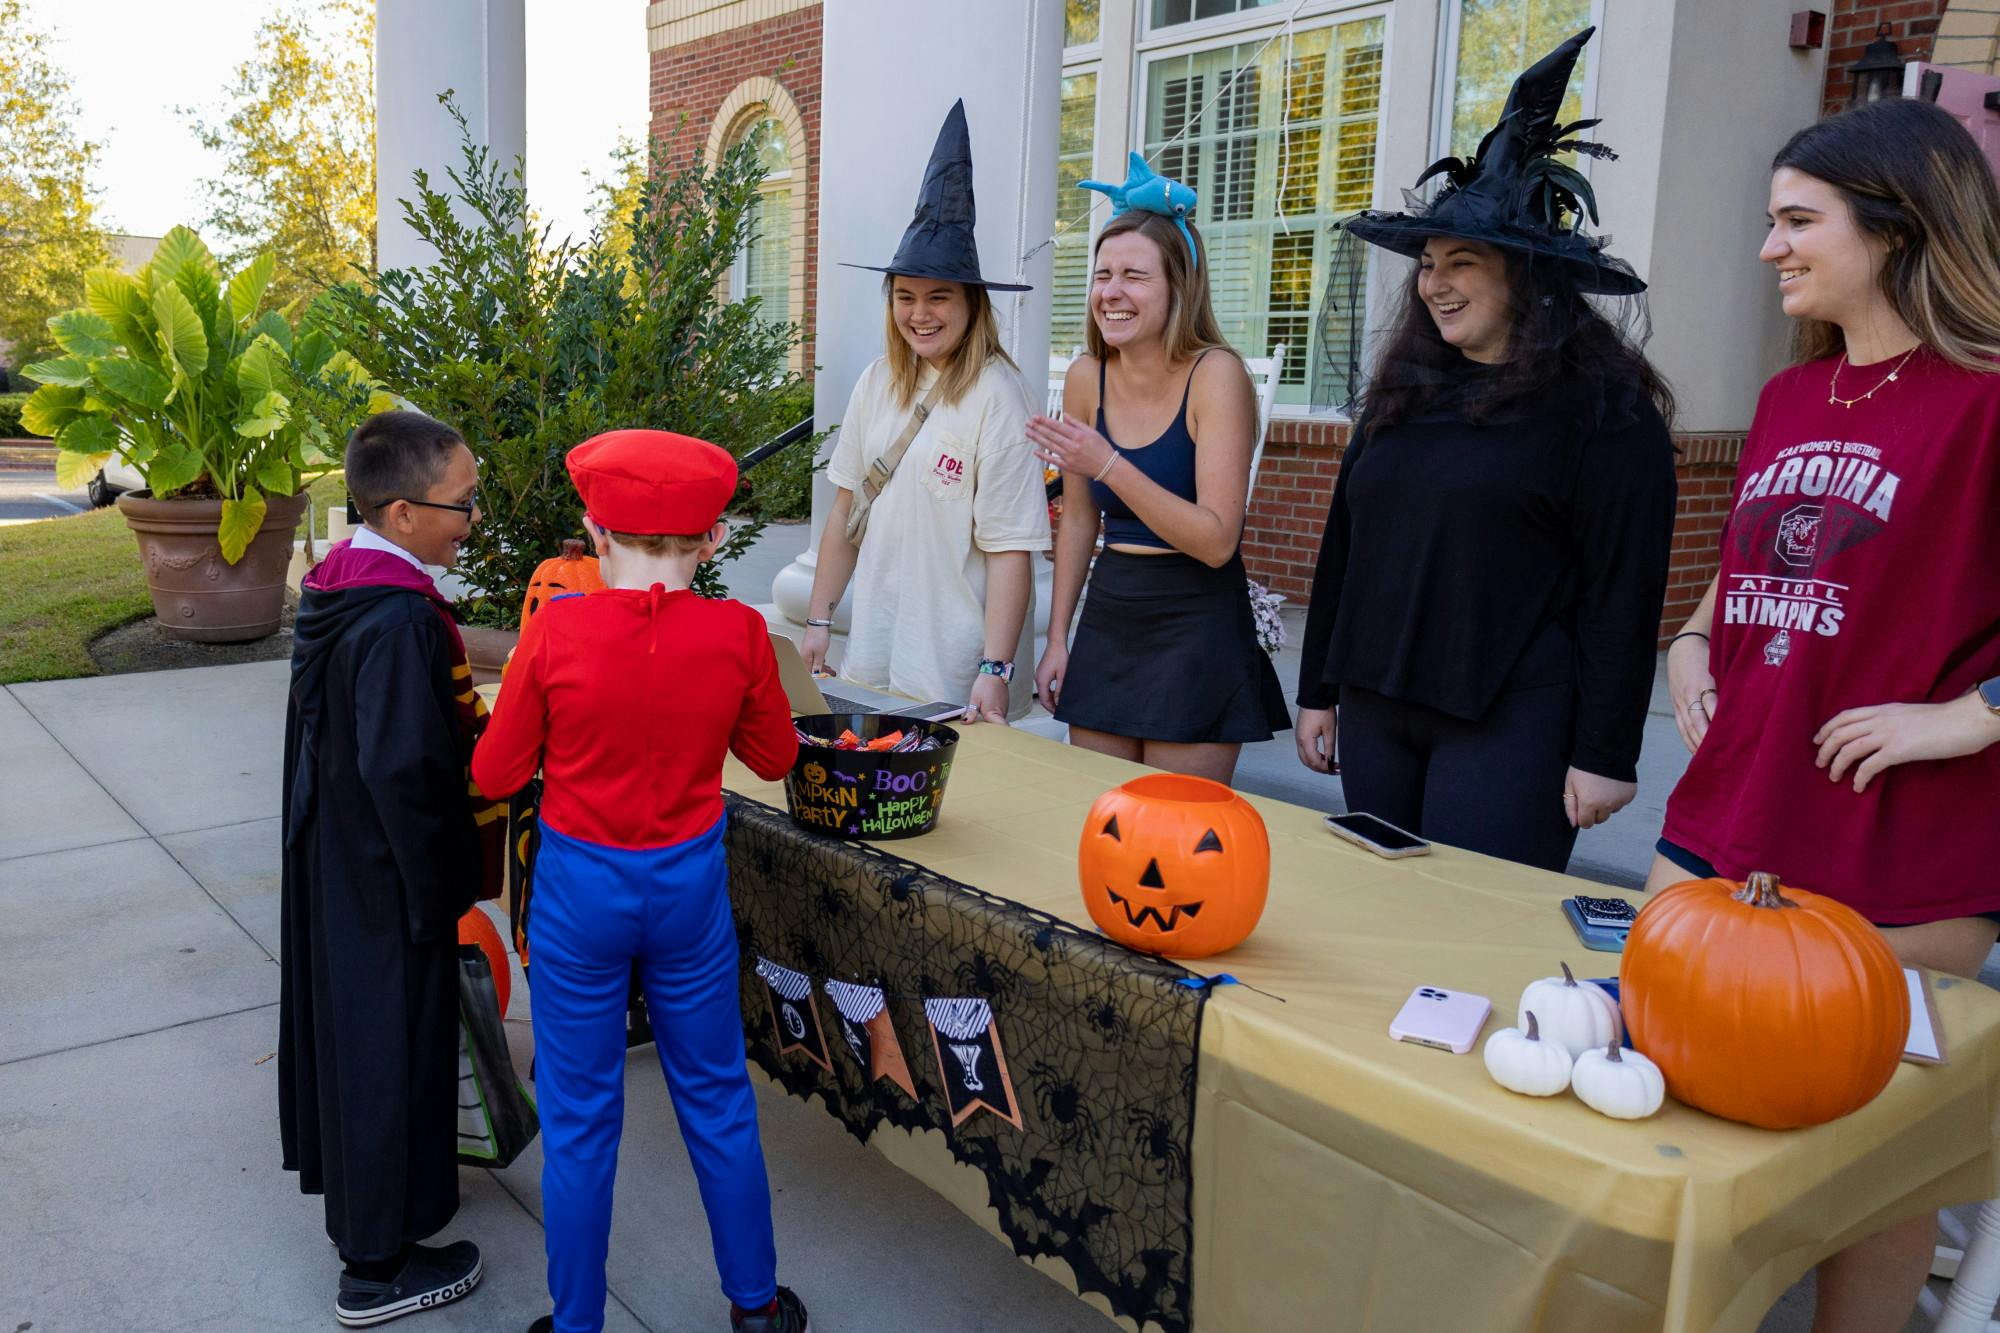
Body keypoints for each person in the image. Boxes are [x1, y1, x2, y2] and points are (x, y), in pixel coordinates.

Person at [1653, 97, 2000, 1332]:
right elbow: (1754, 567)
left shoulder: (1985, 400)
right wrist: (1691, 645)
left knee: (1873, 1164)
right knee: (1675, 1111)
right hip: (1723, 808)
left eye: (1796, 221)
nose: (1768, 249)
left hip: (1898, 846)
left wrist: (1967, 716)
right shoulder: (1791, 398)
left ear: (1894, 229)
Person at [1289, 28, 1676, 872]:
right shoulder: (1403, 394)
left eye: (1461, 261)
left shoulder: (1607, 416)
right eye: (1429, 262)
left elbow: (1624, 591)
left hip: (1515, 717)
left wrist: (1606, 750)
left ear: (1528, 277)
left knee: (1475, 934)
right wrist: (1317, 690)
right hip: (1378, 703)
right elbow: (1343, 551)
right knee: (1384, 916)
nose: (1433, 282)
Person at [472, 430, 808, 1333]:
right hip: (688, 885)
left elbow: (498, 773)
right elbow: (776, 755)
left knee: (581, 1116)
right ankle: (757, 1304)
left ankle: (577, 1322)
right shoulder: (739, 632)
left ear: (594, 528)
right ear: (710, 541)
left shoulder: (556, 631)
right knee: (716, 1093)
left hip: (582, 887)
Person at [280, 409, 498, 1326]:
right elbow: (404, 766)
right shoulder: (400, 619)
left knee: (358, 1038)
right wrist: (440, 881)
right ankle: (374, 1269)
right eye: (464, 501)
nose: (473, 518)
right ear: (402, 513)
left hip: (337, 856)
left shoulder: (343, 584)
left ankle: (378, 1224)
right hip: (387, 873)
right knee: (382, 1049)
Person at [1029, 157, 1289, 785]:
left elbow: (1216, 540)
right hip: (1111, 614)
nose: (1111, 292)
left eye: (1133, 276)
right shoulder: (1088, 376)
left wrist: (1109, 464)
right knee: (1098, 819)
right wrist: (1058, 637)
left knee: (1176, 840)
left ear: (1179, 286)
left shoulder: (1216, 375)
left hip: (1196, 624)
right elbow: (1080, 519)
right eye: (1102, 275)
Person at [802, 99, 1051, 723]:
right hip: (873, 656)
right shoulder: (877, 382)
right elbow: (845, 513)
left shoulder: (998, 395)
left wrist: (996, 670)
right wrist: (819, 619)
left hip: (957, 675)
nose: (920, 313)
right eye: (906, 296)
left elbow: (1010, 550)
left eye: (939, 297)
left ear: (972, 304)